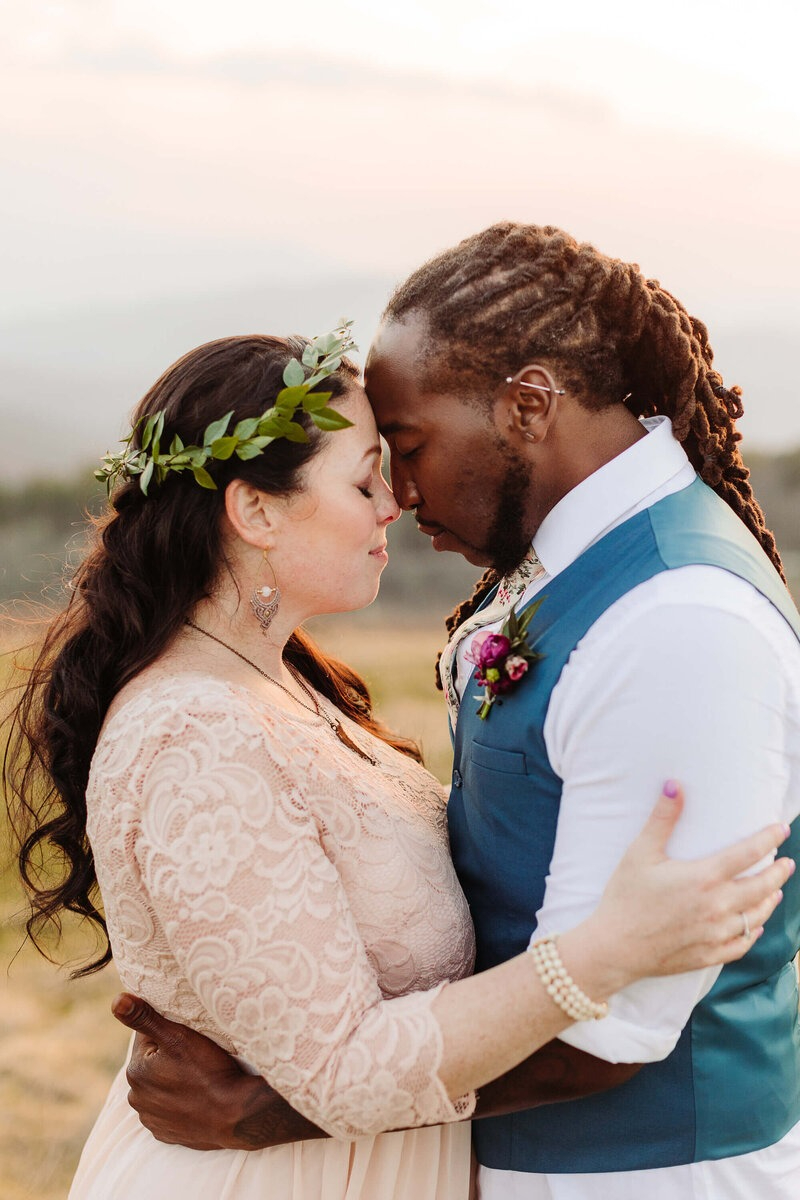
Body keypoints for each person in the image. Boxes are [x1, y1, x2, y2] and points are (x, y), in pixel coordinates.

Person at [3, 321, 792, 1200]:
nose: (394, 502)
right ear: (254, 509)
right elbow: (339, 1069)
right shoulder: (193, 739)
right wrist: (602, 954)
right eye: (364, 477)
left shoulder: (283, 685)